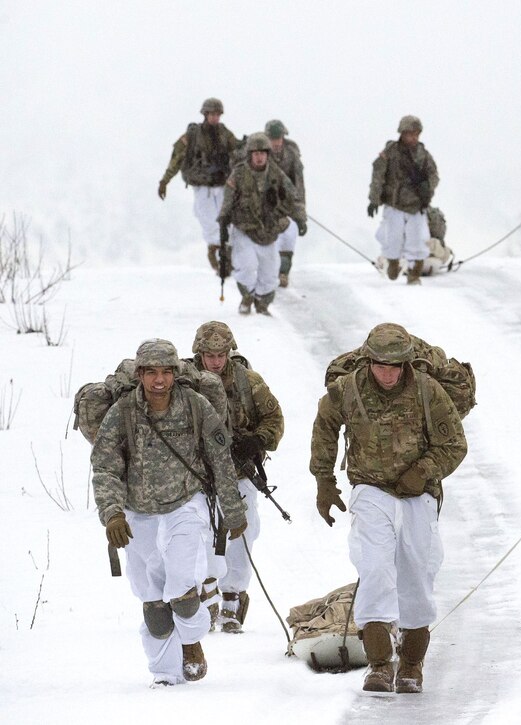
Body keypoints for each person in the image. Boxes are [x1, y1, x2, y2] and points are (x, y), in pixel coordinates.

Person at [309, 323, 467, 693]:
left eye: (396, 366)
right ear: (368, 360)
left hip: (419, 495)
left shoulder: (428, 391)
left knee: (417, 572)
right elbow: (324, 430)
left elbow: (455, 445)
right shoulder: (346, 390)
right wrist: (324, 482)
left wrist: (423, 471)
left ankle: (412, 663)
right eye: (381, 365)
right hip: (370, 488)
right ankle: (380, 665)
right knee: (374, 565)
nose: (389, 373)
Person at [90, 339, 247, 687]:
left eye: (165, 372)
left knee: (181, 583)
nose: (158, 380)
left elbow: (221, 461)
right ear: (141, 375)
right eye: (151, 373)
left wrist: (233, 511)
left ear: (175, 373)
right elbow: (104, 465)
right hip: (138, 510)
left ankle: (191, 643)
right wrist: (112, 513)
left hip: (185, 504)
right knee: (152, 599)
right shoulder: (123, 412)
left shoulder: (196, 405)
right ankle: (163, 672)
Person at [189, 321, 284, 633]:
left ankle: (233, 596)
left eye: (221, 354)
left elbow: (274, 418)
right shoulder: (185, 380)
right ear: (198, 353)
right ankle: (205, 593)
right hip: (196, 474)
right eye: (209, 354)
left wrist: (256, 441)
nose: (216, 360)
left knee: (243, 532)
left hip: (239, 470)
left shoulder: (248, 381)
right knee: (198, 534)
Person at [218, 132, 307, 315]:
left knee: (270, 271)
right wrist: (223, 223)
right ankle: (247, 296)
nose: (259, 157)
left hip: (268, 231)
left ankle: (262, 302)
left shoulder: (276, 174)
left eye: (262, 153)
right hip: (244, 228)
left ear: (267, 154)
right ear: (250, 154)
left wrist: (300, 218)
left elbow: (293, 196)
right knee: (246, 265)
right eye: (255, 153)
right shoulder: (239, 174)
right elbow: (228, 199)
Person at [158, 98, 240, 272]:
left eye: (218, 114)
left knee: (227, 219)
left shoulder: (225, 133)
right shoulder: (192, 135)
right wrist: (165, 180)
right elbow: (177, 159)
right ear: (205, 114)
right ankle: (214, 250)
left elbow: (237, 150)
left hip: (222, 184)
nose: (215, 118)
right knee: (208, 220)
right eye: (212, 114)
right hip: (202, 186)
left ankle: (227, 256)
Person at [367, 116, 440, 285]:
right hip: (395, 204)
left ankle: (414, 275)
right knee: (393, 238)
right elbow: (378, 175)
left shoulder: (423, 155)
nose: (414, 138)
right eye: (410, 134)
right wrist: (374, 199)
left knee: (418, 240)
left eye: (416, 134)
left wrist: (427, 186)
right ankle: (393, 264)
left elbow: (434, 175)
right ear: (402, 133)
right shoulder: (391, 152)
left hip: (416, 205)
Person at [264, 119, 306, 288]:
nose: (276, 142)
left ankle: (283, 272)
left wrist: (300, 216)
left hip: (286, 204)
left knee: (289, 234)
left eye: (279, 138)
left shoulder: (291, 154)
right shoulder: (258, 153)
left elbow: (299, 187)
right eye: (273, 138)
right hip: (263, 205)